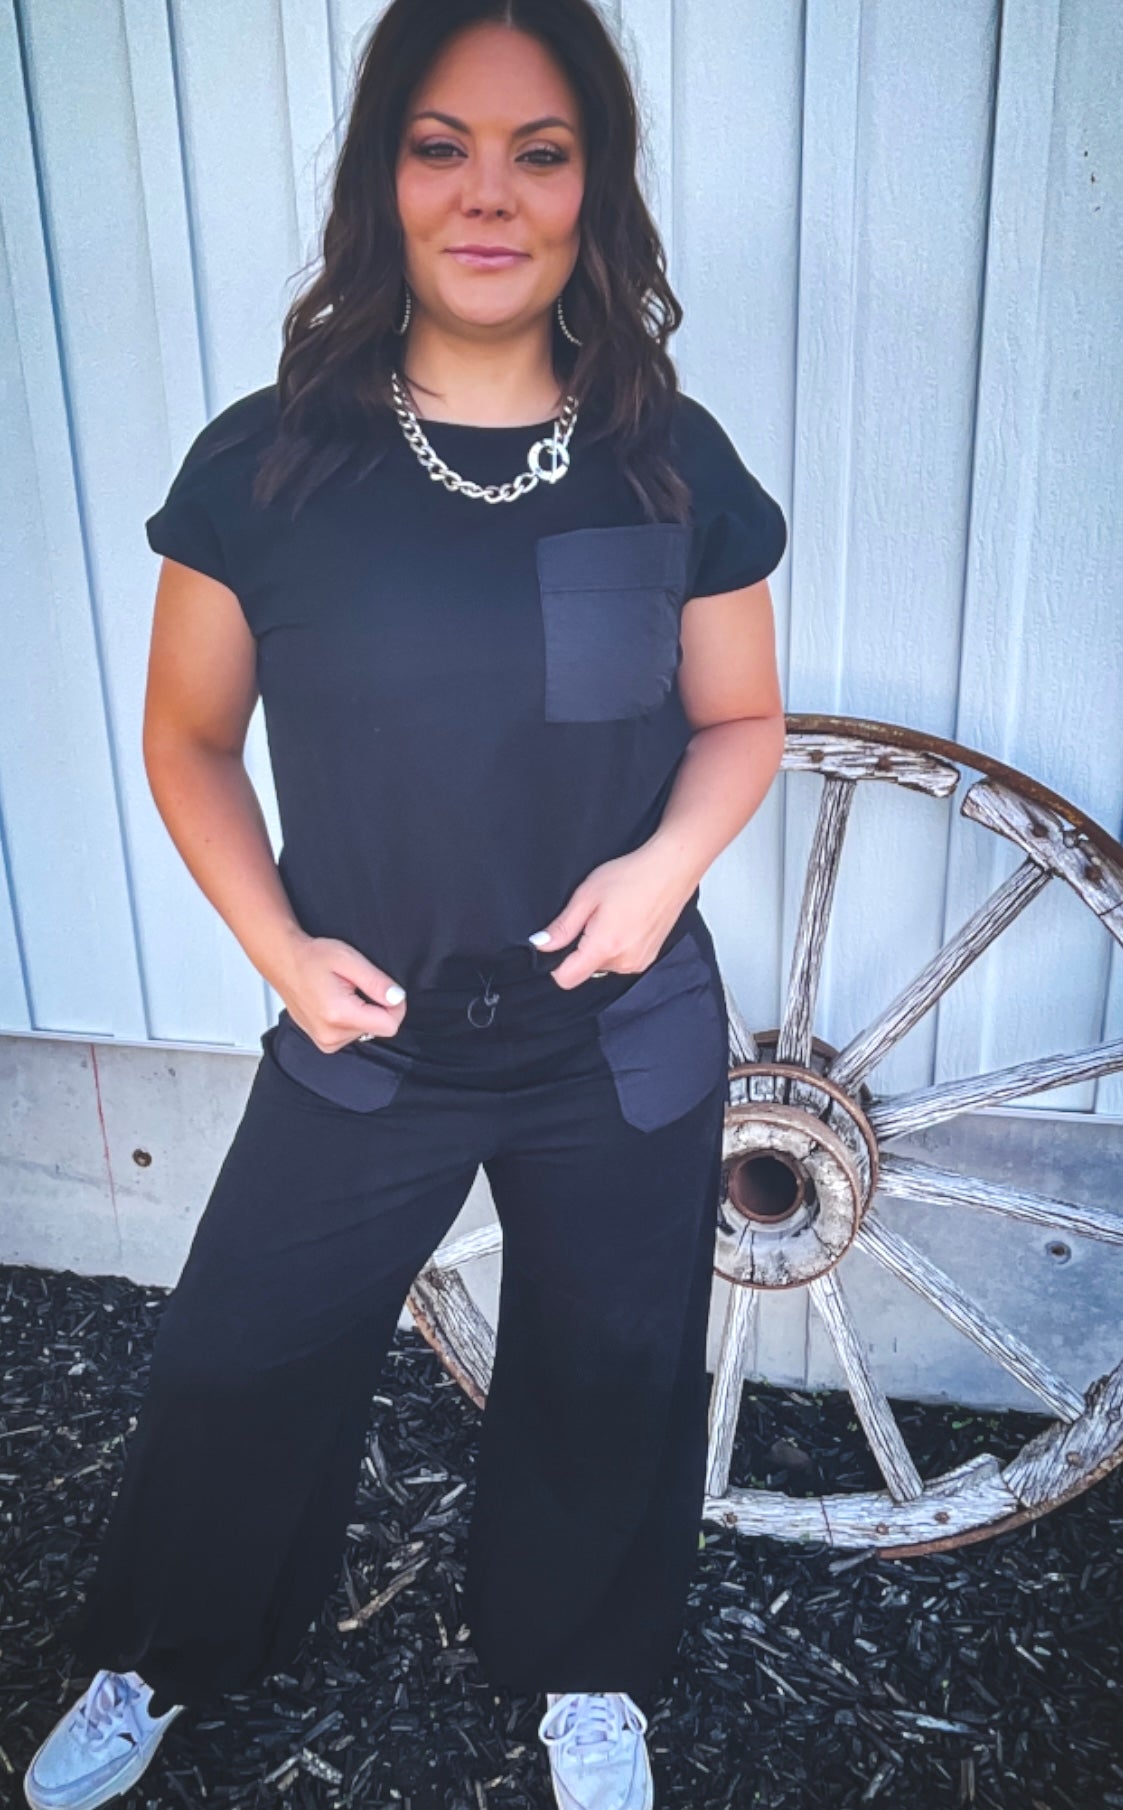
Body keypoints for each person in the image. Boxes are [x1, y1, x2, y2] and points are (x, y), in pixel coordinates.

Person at [23, 2, 787, 1807]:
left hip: (617, 1034)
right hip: (362, 1029)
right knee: (236, 1353)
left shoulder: (670, 458)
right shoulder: (268, 463)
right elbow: (188, 739)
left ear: (595, 188)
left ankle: (587, 1668)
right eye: (442, 146)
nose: (489, 193)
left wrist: (661, 869)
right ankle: (164, 1649)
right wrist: (279, 950)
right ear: (384, 176)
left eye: (541, 152)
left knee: (609, 1365)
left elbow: (742, 720)